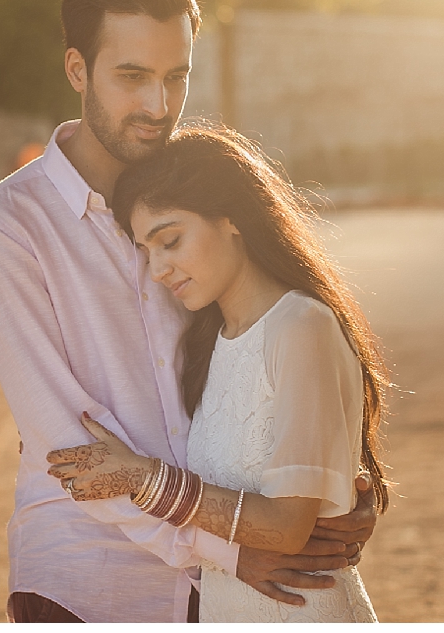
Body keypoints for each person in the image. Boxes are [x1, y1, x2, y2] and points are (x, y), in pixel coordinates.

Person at [0, 0, 378, 623]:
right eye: (132, 77)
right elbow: (68, 442)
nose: (158, 105)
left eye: (175, 77)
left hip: (229, 587)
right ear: (77, 70)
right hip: (88, 582)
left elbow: (268, 354)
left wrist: (334, 490)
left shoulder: (196, 198)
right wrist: (236, 547)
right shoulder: (9, 228)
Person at [46, 125, 389, 622]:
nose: (158, 268)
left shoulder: (301, 325)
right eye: (145, 250)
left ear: (232, 218)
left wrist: (142, 479)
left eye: (170, 240)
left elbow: (287, 527)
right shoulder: (209, 343)